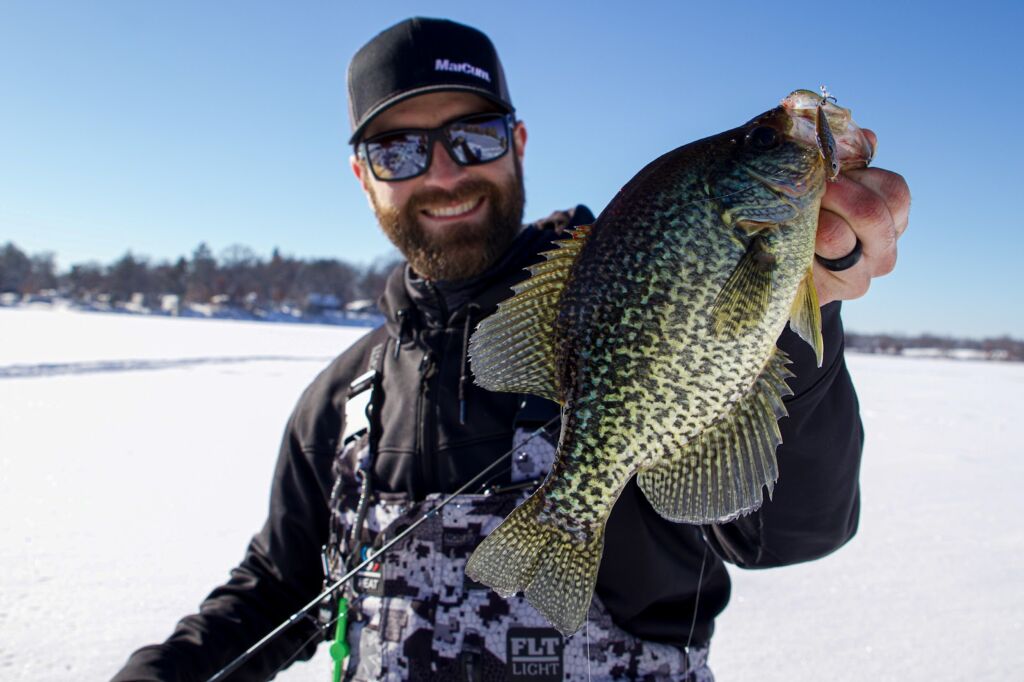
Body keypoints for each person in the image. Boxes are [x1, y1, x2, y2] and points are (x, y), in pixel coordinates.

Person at [114, 17, 910, 682]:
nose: (444, 174)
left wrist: (801, 312)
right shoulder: (342, 399)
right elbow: (281, 588)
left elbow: (789, 533)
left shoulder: (618, 290)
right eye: (398, 151)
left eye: (473, 136)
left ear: (517, 140)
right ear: (363, 176)